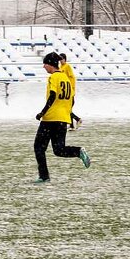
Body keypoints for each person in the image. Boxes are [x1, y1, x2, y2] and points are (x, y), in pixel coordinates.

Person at [33, 52, 90, 183]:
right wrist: (67, 115)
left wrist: (42, 112)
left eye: (45, 64)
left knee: (38, 147)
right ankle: (78, 151)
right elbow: (72, 100)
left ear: (50, 64)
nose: (43, 67)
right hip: (62, 119)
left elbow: (52, 95)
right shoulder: (66, 79)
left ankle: (44, 176)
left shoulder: (54, 77)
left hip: (50, 119)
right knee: (59, 149)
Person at [58, 52, 82, 130]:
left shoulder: (67, 66)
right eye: (59, 59)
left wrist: (72, 89)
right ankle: (71, 125)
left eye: (61, 59)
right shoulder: (60, 67)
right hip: (64, 91)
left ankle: (78, 119)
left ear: (65, 59)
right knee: (67, 109)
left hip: (69, 91)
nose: (60, 60)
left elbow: (72, 78)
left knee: (67, 109)